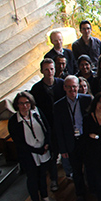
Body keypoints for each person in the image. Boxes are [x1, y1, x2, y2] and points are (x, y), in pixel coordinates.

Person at [8, 92, 58, 201]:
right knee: (32, 179)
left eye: (27, 102)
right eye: (21, 103)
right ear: (17, 105)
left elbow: (47, 128)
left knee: (42, 175)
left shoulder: (37, 112)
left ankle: (45, 196)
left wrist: (46, 143)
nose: (25, 106)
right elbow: (19, 143)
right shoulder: (14, 121)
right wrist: (37, 150)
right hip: (29, 155)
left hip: (43, 150)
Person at [54, 76, 92, 201]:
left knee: (90, 166)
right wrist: (63, 149)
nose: (72, 89)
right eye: (69, 87)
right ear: (64, 88)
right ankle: (80, 193)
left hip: (86, 140)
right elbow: (58, 129)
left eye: (74, 86)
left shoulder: (87, 100)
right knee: (76, 170)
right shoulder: (58, 106)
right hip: (71, 142)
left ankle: (92, 189)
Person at [30, 58, 65, 191]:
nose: (49, 72)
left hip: (62, 124)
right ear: (41, 71)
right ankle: (54, 179)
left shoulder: (61, 84)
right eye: (46, 69)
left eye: (51, 69)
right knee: (52, 154)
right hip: (48, 126)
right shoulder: (36, 89)